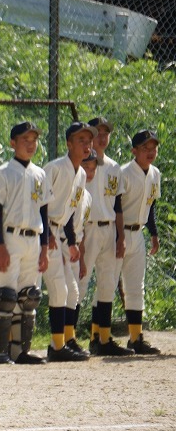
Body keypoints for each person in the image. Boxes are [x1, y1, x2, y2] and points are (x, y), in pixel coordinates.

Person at [0, 121, 50, 364]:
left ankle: (20, 351)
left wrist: (45, 248)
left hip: (34, 238)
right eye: (25, 139)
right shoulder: (3, 172)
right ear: (13, 143)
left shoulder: (40, 174)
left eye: (34, 139)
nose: (31, 144)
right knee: (6, 296)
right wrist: (0, 245)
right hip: (10, 237)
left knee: (29, 296)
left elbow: (43, 212)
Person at [79, 117, 134, 356]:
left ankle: (102, 339)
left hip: (109, 227)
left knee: (107, 284)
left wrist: (121, 237)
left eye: (106, 133)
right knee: (79, 282)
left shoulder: (114, 167)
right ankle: (67, 339)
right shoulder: (81, 164)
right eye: (97, 132)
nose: (102, 137)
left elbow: (118, 204)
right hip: (87, 228)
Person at [40, 122, 93, 362]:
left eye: (88, 140)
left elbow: (71, 212)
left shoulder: (81, 173)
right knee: (60, 289)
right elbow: (39, 204)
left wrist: (71, 242)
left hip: (60, 233)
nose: (86, 144)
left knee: (71, 291)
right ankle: (56, 346)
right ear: (68, 144)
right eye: (80, 140)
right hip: (44, 232)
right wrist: (47, 235)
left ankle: (67, 340)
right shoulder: (54, 168)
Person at [118, 129, 162, 355]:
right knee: (107, 284)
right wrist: (117, 237)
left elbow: (151, 205)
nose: (150, 152)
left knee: (136, 286)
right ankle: (99, 336)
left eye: (153, 147)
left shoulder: (155, 173)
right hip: (118, 232)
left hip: (138, 233)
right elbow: (116, 205)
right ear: (134, 150)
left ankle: (136, 338)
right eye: (145, 148)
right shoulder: (124, 172)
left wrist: (153, 234)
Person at [64, 150, 95, 351]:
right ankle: (63, 339)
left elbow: (82, 229)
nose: (89, 172)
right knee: (68, 291)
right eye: (85, 167)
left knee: (75, 293)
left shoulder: (89, 197)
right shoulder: (69, 190)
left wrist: (82, 259)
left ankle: (70, 337)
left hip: (76, 246)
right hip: (63, 242)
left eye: (92, 168)